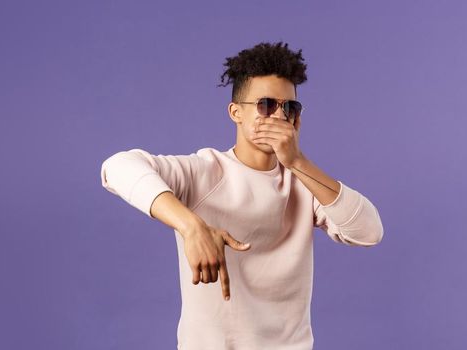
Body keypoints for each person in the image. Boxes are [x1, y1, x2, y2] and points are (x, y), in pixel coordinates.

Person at [99, 41, 384, 350]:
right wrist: (191, 226)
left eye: (289, 108)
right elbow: (117, 167)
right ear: (235, 112)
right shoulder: (205, 171)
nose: (278, 116)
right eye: (265, 105)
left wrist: (297, 162)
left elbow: (369, 231)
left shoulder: (303, 184)